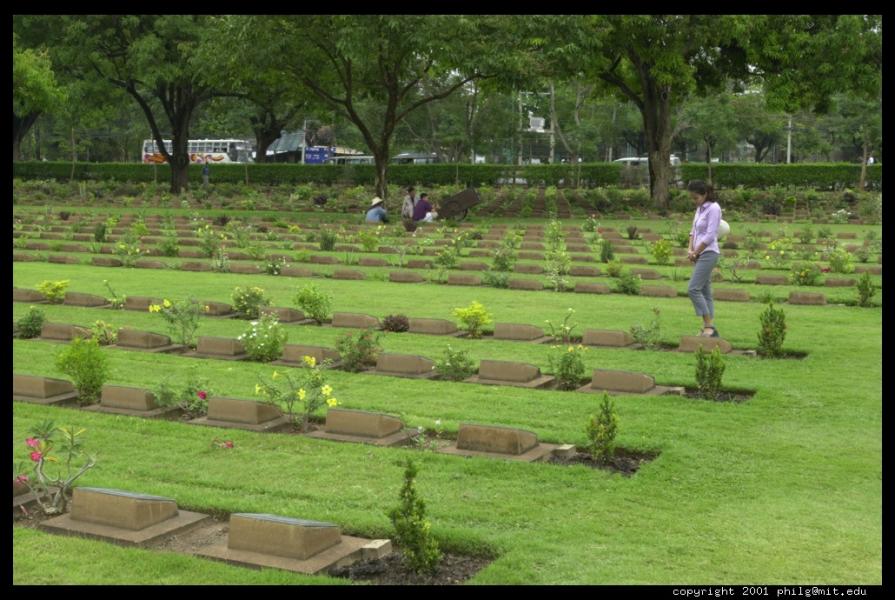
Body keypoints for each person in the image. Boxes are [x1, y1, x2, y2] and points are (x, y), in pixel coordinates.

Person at [686, 180, 722, 338]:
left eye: (696, 198)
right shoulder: (699, 209)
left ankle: (708, 326)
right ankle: (710, 328)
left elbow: (710, 235)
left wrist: (696, 251)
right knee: (705, 291)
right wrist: (690, 249)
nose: (694, 201)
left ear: (705, 194)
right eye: (692, 198)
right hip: (698, 253)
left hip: (709, 252)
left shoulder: (714, 208)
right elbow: (693, 231)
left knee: (693, 289)